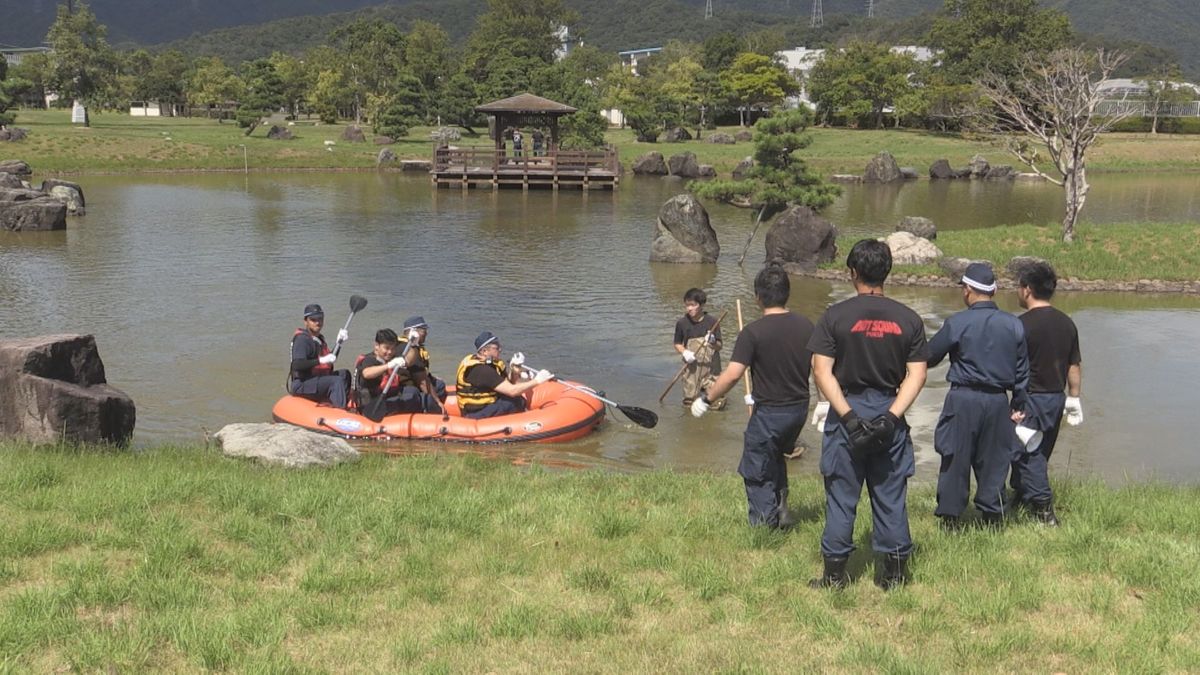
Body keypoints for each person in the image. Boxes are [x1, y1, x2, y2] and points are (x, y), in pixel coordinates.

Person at [807, 240, 929, 590]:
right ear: (887, 272)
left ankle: (834, 578)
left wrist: (846, 417)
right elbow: (917, 375)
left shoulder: (834, 316)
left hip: (848, 410)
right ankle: (893, 577)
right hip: (889, 411)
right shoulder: (909, 319)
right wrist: (891, 418)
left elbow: (821, 371)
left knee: (841, 497)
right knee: (890, 496)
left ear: (853, 273)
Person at [691, 266, 814, 528]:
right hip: (799, 409)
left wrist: (706, 397)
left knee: (756, 467)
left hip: (770, 411)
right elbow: (820, 366)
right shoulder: (806, 325)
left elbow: (734, 374)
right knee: (777, 455)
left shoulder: (753, 332)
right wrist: (824, 403)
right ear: (787, 293)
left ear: (758, 296)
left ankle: (763, 526)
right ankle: (782, 511)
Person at [927, 263, 1030, 529]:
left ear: (968, 290)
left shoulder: (957, 323)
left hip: (963, 399)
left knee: (955, 457)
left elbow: (928, 357)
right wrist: (1017, 404)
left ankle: (950, 519)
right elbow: (1022, 371)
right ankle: (993, 516)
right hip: (998, 401)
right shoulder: (1013, 324)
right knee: (995, 460)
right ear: (994, 291)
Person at [1009, 262, 1082, 526]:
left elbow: (1010, 367)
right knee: (1037, 448)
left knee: (1030, 455)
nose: (1017, 292)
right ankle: (1021, 494)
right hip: (1055, 397)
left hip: (1031, 399)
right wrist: (1074, 397)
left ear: (1027, 289)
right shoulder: (1066, 323)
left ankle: (1044, 510)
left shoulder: (1019, 325)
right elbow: (1074, 364)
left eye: (1018, 286)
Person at [455, 331, 553, 419]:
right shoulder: (482, 370)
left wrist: (514, 371)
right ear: (485, 351)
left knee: (516, 399)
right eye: (496, 347)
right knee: (515, 401)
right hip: (477, 412)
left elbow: (508, 383)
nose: (500, 349)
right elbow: (512, 391)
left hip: (488, 404)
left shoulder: (489, 362)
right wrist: (537, 380)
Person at [355, 329, 432, 415]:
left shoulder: (389, 357)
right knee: (413, 398)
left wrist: (414, 345)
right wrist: (388, 365)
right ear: (377, 346)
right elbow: (367, 373)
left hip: (386, 398)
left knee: (413, 391)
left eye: (392, 348)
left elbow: (409, 361)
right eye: (386, 348)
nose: (390, 352)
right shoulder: (369, 359)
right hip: (372, 405)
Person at [289, 303, 350, 409]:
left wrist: (339, 343)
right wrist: (320, 360)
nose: (318, 323)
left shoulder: (319, 339)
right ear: (306, 321)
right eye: (313, 320)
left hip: (315, 380)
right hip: (302, 384)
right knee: (336, 381)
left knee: (344, 374)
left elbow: (330, 360)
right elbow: (297, 365)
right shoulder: (302, 340)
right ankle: (340, 412)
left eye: (320, 319)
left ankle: (341, 402)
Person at [674, 287, 724, 409]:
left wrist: (712, 342)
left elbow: (719, 346)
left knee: (717, 402)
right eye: (687, 305)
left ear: (701, 305)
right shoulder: (682, 323)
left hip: (711, 367)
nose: (689, 308)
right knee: (689, 403)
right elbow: (677, 343)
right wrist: (685, 352)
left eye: (693, 305)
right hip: (692, 366)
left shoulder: (713, 322)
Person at [398, 316, 447, 402]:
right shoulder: (411, 351)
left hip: (407, 384)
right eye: (424, 331)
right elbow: (422, 380)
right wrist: (437, 402)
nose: (426, 334)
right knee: (440, 386)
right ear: (414, 332)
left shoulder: (398, 344)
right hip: (410, 389)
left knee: (438, 383)